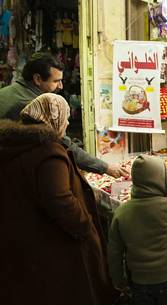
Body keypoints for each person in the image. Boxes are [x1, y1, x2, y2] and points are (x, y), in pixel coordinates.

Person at [0, 93, 116, 305]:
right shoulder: (48, 152)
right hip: (53, 242)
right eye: (65, 117)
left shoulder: (16, 143)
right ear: (53, 119)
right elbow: (60, 200)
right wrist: (86, 225)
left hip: (25, 236)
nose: (68, 121)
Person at [0, 52, 127, 178]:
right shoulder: (34, 107)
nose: (60, 86)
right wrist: (105, 167)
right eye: (56, 81)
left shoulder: (6, 92)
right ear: (37, 79)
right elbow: (64, 143)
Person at [107, 155, 167, 305]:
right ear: (163, 180)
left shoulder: (121, 212)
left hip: (139, 283)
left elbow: (114, 252)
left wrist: (119, 281)